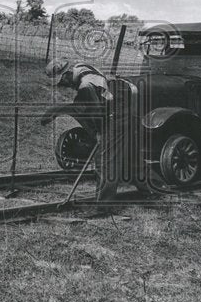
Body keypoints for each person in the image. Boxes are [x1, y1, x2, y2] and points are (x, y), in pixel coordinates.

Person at [46, 59, 153, 204]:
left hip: (119, 110)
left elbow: (97, 111)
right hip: (122, 102)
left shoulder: (86, 86)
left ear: (66, 75)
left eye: (62, 81)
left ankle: (103, 206)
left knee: (104, 160)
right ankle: (152, 188)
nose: (65, 85)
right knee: (129, 154)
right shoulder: (81, 67)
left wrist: (99, 132)